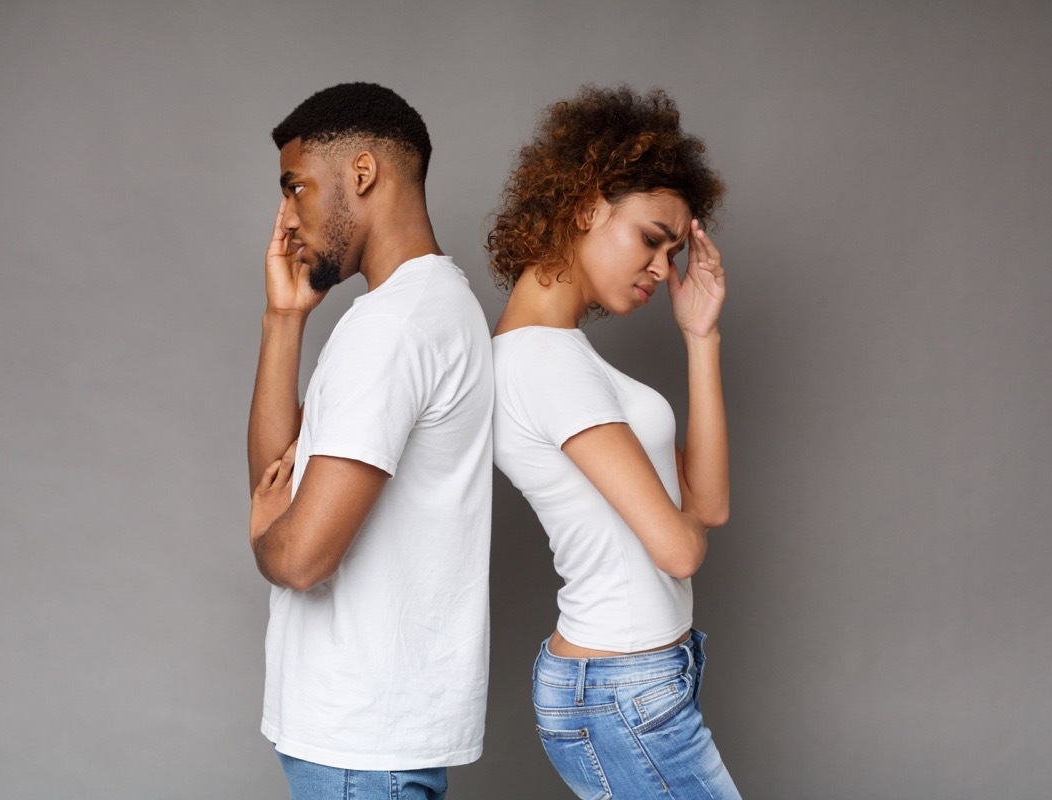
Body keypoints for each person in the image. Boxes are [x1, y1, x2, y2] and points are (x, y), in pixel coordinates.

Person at [487, 85, 741, 798]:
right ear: (588, 204)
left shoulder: (562, 355)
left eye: (672, 249)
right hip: (622, 690)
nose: (664, 268)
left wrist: (701, 338)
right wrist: (680, 527)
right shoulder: (545, 362)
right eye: (652, 239)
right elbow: (681, 547)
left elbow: (708, 506)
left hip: (636, 680)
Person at [247, 82, 493, 800]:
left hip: (361, 746)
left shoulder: (395, 328)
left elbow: (300, 555)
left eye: (296, 188)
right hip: (370, 738)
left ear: (362, 173)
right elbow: (276, 472)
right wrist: (283, 320)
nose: (287, 220)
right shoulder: (428, 308)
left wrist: (267, 537)